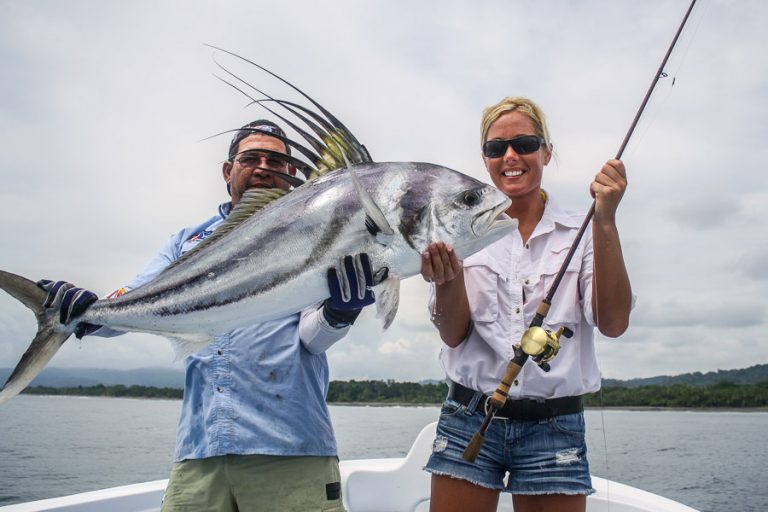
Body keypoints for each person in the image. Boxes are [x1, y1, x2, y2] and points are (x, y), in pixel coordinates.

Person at [39, 119, 374, 512]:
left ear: (292, 173)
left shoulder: (317, 229)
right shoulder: (186, 241)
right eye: (251, 157)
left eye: (277, 161)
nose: (264, 166)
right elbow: (134, 299)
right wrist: (85, 311)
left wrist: (340, 311)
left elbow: (311, 339)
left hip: (289, 446)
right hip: (200, 451)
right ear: (228, 170)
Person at [420, 97, 633, 512]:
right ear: (485, 160)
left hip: (555, 425)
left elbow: (613, 322)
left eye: (524, 143)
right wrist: (448, 281)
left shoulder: (584, 230)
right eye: (496, 148)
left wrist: (606, 220)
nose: (511, 156)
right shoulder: (460, 235)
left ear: (546, 152)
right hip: (468, 414)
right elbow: (453, 333)